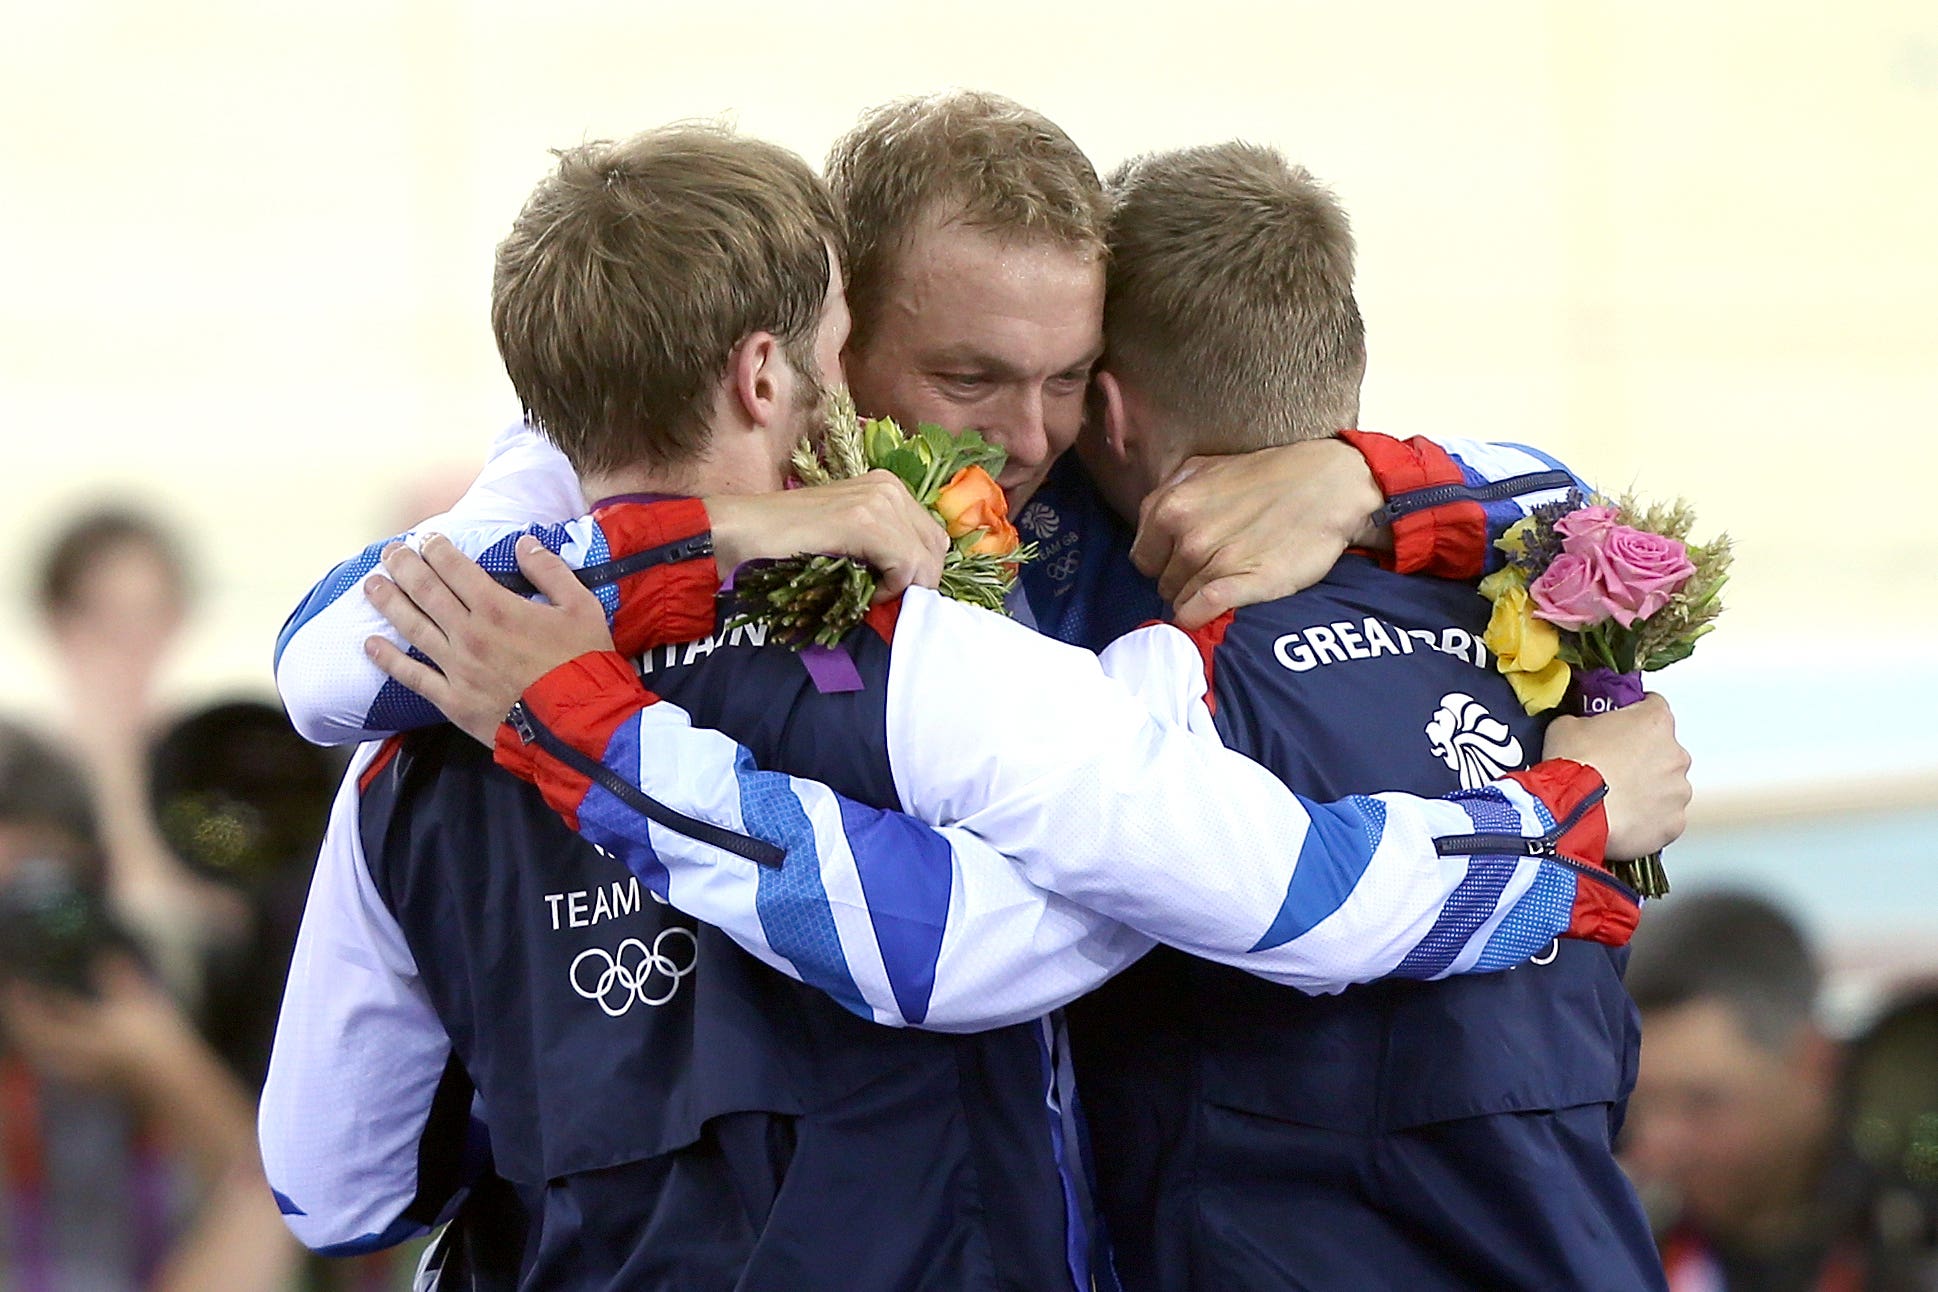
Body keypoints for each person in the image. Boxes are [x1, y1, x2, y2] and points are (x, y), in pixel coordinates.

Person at [260, 122, 1689, 1291]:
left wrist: (1367, 476)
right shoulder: (953, 669)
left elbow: (335, 1188)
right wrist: (1567, 821)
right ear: (805, 359)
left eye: (1068, 383)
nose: (1024, 434)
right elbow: (1012, 942)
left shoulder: (408, 754)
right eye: (967, 379)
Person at [1047, 141, 1665, 1290]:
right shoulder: (1540, 608)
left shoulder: (1128, 678)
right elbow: (1607, 520)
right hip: (1585, 1239)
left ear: (1110, 410)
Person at [0, 719, 298, 1292]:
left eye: (43, 901)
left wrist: (170, 1069)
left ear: (96, 881)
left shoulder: (173, 1000)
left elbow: (290, 1212)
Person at [1623, 892, 1938, 1291]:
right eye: (1636, 1103)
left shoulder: (1913, 1241)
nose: (1656, 1145)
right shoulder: (1619, 1248)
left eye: (1701, 1103)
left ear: (1813, 1064)